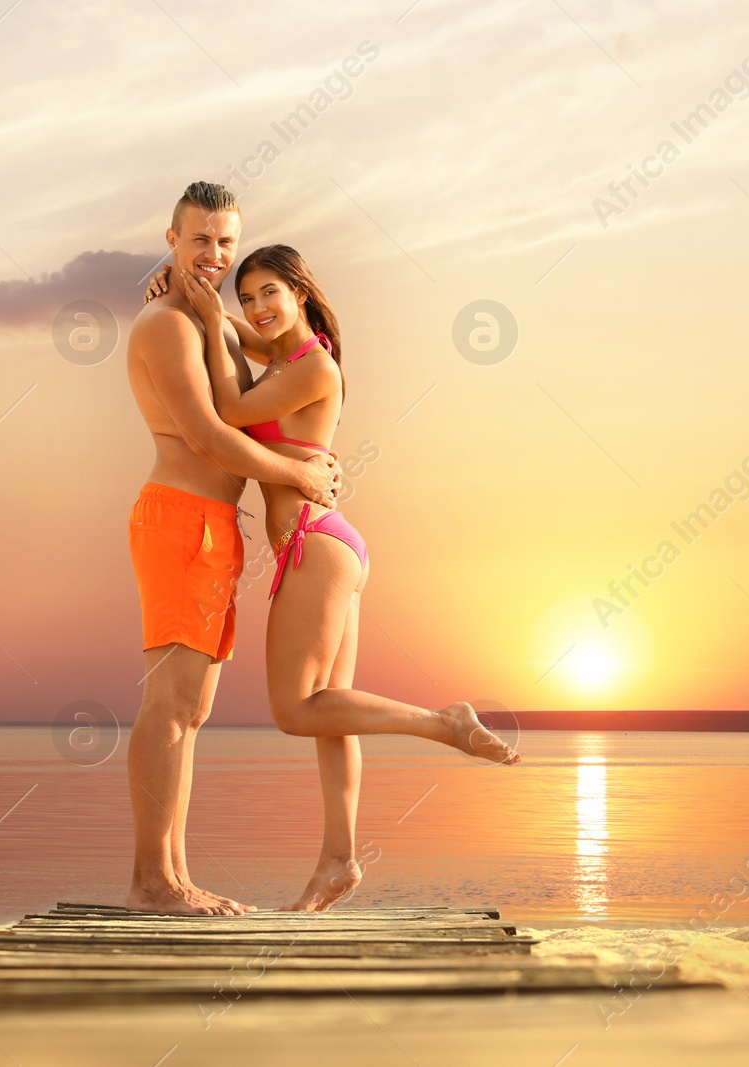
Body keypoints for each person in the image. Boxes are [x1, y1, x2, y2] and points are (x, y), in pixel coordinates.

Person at [148, 246, 520, 912]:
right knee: (331, 711)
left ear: (300, 291)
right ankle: (340, 857)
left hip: (314, 547)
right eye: (248, 298)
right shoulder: (285, 358)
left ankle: (445, 720)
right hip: (331, 543)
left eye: (269, 293)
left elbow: (229, 409)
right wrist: (184, 290)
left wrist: (204, 314)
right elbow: (228, 334)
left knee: (296, 708)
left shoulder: (312, 364)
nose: (257, 309)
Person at [124, 183, 342, 916]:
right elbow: (212, 434)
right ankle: (151, 880)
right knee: (169, 705)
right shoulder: (167, 327)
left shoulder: (206, 322)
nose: (215, 256)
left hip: (216, 526)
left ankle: (174, 877)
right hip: (181, 518)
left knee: (192, 710)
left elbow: (259, 361)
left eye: (225, 242)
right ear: (172, 238)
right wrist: (302, 473)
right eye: (200, 241)